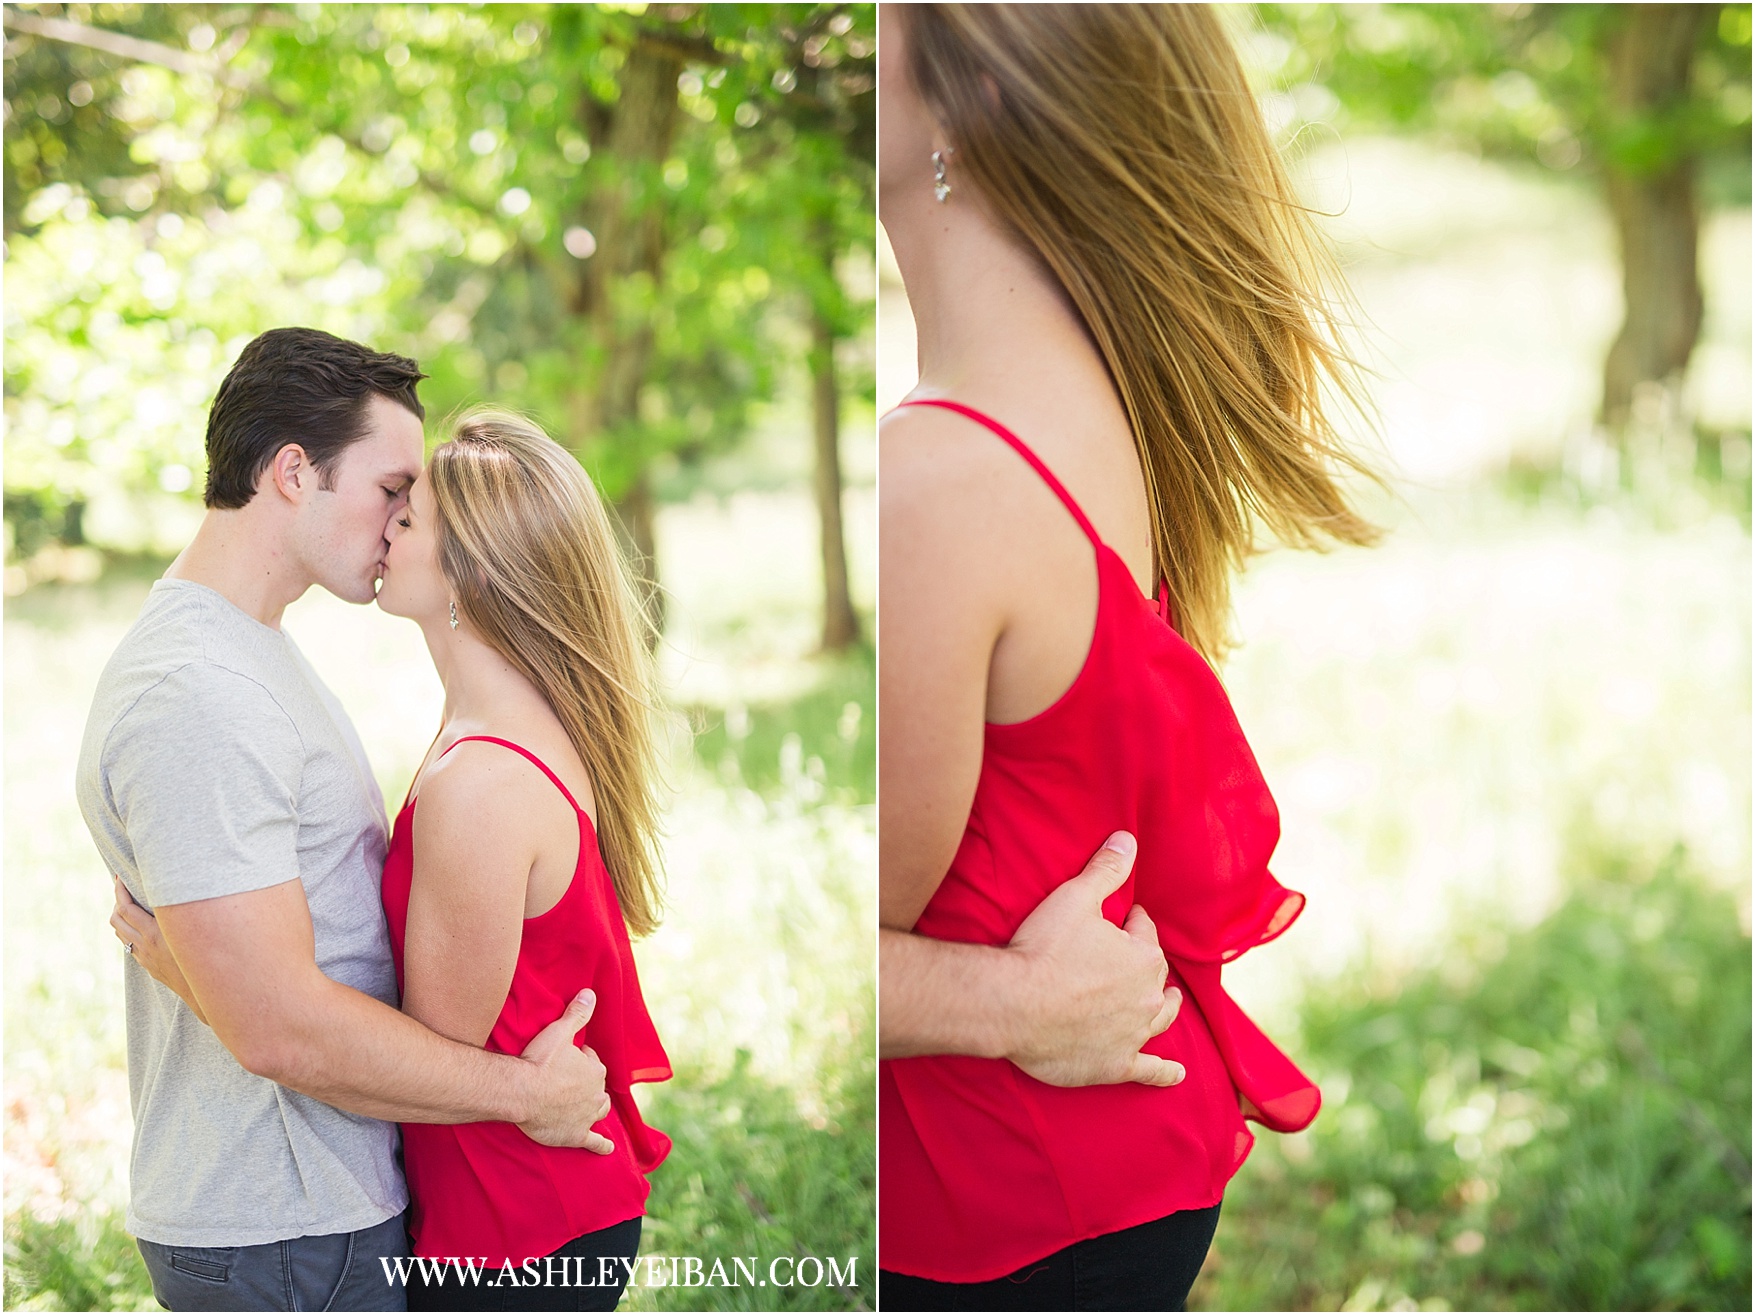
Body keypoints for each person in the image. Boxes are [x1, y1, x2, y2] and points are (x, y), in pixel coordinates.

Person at [876, 5, 1382, 1310]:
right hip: (1092, 1175)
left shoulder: (940, 477)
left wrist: (997, 1007)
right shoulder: (1084, 389)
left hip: (1001, 1204)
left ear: (964, 97)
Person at [80, 328, 618, 1312]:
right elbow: (279, 1030)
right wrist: (527, 1095)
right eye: (392, 488)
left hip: (324, 1218)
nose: (403, 518)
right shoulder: (200, 692)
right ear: (294, 472)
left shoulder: (254, 652)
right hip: (282, 1233)